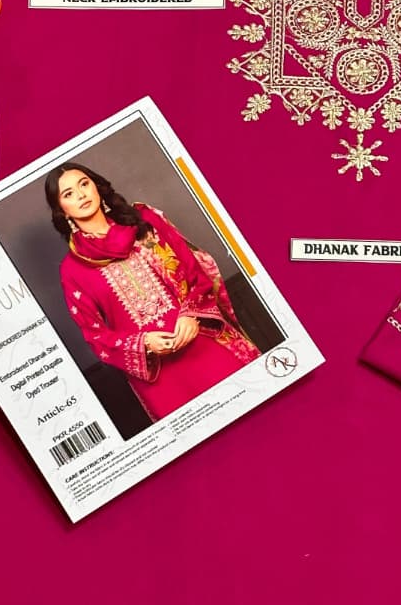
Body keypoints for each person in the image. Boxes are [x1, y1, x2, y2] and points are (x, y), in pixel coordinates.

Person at [45, 162, 261, 420]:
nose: (81, 195)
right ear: (61, 210)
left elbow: (196, 270)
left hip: (202, 339)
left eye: (84, 184)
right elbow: (95, 335)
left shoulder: (144, 222)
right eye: (68, 194)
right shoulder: (72, 269)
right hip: (159, 375)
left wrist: (191, 316)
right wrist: (144, 343)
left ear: (97, 186)